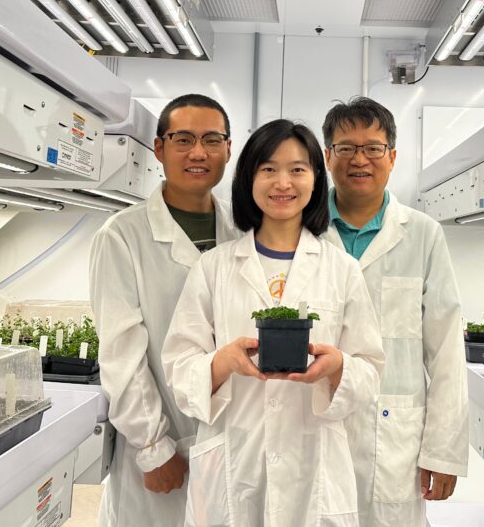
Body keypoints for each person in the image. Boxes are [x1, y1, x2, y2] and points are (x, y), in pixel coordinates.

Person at [162, 119, 385, 527]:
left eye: (297, 169)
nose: (283, 182)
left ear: (317, 178)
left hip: (315, 466)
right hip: (235, 461)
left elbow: (370, 369)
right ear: (249, 178)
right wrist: (224, 361)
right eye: (268, 169)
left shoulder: (343, 270)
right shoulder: (214, 268)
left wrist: (338, 367)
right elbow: (178, 364)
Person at [89, 94, 237, 527]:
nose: (198, 152)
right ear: (159, 148)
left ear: (229, 150)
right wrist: (153, 447)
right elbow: (122, 352)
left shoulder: (242, 231)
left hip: (230, 444)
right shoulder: (122, 236)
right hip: (160, 446)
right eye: (183, 139)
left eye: (212, 140)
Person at [322, 97, 468, 527]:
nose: (359, 159)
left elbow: (445, 349)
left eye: (373, 147)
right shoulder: (303, 230)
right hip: (314, 423)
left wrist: (443, 451)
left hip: (394, 436)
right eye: (346, 148)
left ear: (392, 157)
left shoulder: (422, 234)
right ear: (328, 156)